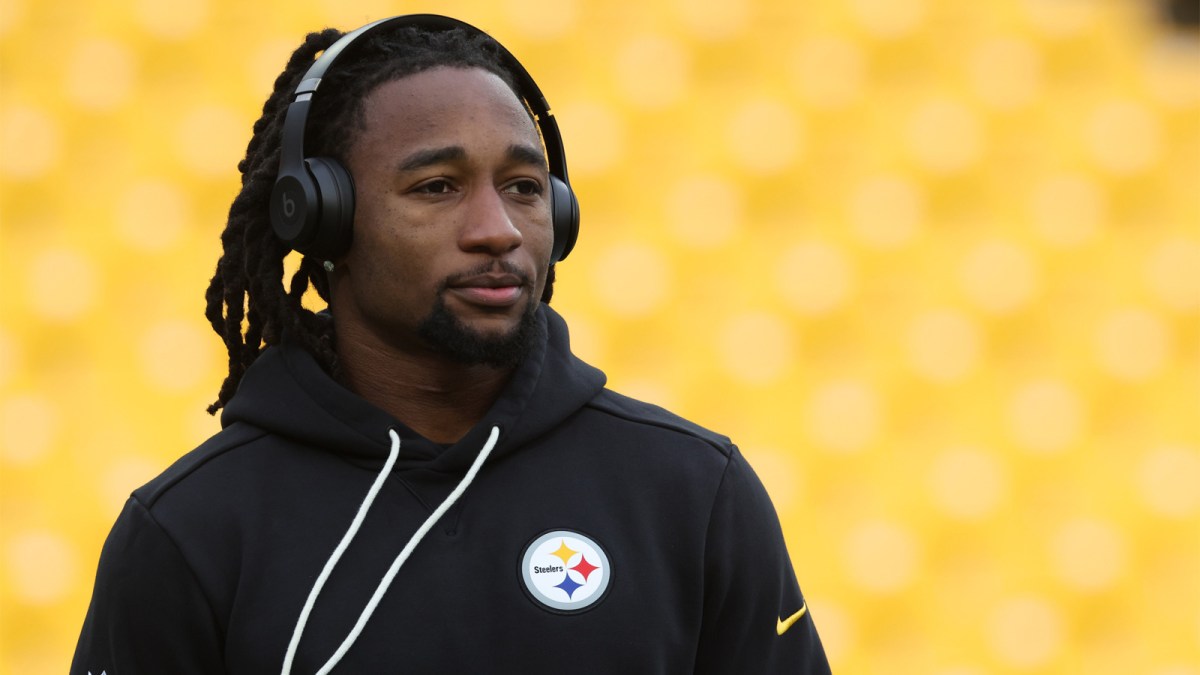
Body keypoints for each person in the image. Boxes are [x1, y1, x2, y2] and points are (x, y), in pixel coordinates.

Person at [71, 15, 830, 674]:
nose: (497, 229)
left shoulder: (693, 491)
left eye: (525, 187)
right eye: (437, 186)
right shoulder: (192, 528)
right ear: (324, 219)